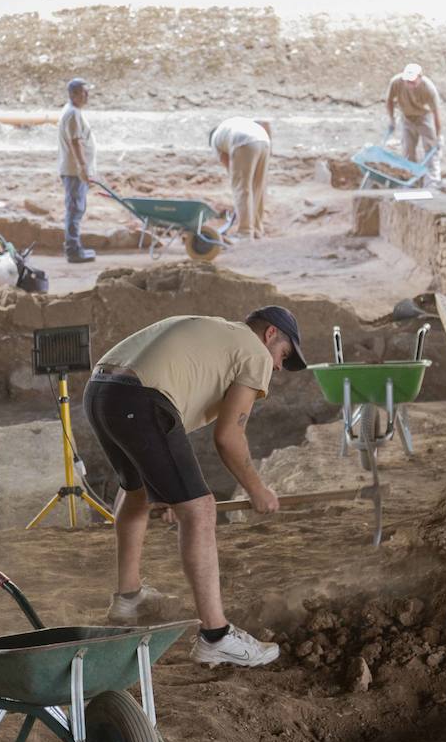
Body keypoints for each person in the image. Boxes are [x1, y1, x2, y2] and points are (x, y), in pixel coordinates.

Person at [84, 306, 308, 667]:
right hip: (141, 400)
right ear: (269, 334)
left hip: (101, 392)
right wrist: (257, 489)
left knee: (137, 492)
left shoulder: (213, 333)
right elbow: (228, 438)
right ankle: (215, 635)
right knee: (201, 509)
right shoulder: (253, 353)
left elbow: (169, 417)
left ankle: (128, 600)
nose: (279, 367)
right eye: (283, 354)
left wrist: (171, 493)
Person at [209, 117, 271, 240]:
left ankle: (245, 232)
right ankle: (257, 229)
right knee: (257, 187)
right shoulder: (228, 127)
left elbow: (230, 168)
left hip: (243, 141)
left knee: (241, 188)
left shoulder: (215, 140)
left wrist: (238, 201)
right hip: (264, 140)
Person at [58, 77, 97, 264]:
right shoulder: (73, 114)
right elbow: (76, 142)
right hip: (74, 171)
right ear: (73, 94)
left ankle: (75, 247)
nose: (87, 96)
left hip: (74, 170)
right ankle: (73, 250)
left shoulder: (73, 111)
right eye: (84, 92)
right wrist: (83, 167)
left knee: (75, 209)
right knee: (75, 209)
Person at [385, 63, 442, 182]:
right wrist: (392, 120)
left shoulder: (428, 88)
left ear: (420, 78)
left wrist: (438, 136)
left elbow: (436, 113)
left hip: (423, 117)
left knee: (431, 148)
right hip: (406, 117)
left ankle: (433, 181)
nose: (409, 85)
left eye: (413, 82)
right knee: (407, 150)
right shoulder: (396, 82)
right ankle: (410, 179)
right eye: (407, 81)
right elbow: (389, 100)